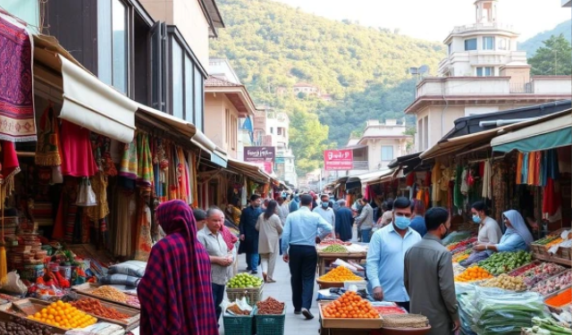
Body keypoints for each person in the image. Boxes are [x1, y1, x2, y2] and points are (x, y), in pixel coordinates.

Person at [138, 200, 218, 335]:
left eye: (160, 220)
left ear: (170, 220)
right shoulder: (200, 249)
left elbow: (150, 290)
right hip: (199, 322)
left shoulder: (163, 248)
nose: (160, 225)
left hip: (177, 325)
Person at [404, 207, 460, 335]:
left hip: (415, 313)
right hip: (437, 318)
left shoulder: (410, 250)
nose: (449, 226)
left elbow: (407, 282)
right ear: (441, 227)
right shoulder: (443, 253)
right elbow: (447, 289)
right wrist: (455, 316)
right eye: (448, 223)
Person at [282, 194, 332, 320]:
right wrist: (319, 237)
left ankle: (297, 307)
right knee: (308, 278)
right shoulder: (315, 216)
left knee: (296, 278)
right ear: (311, 204)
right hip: (310, 250)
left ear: (299, 204)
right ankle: (306, 306)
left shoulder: (291, 216)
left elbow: (286, 235)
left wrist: (285, 252)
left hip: (295, 249)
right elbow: (329, 228)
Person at [366, 197, 421, 311]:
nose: (403, 217)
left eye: (407, 214)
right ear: (393, 214)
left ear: (412, 215)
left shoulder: (416, 237)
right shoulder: (379, 236)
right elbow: (372, 262)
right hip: (385, 295)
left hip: (410, 296)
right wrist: (376, 285)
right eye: (399, 214)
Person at [197, 208, 234, 325]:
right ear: (206, 220)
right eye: (214, 221)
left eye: (220, 220)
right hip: (209, 279)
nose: (218, 223)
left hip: (221, 279)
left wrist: (230, 257)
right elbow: (198, 257)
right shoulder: (200, 236)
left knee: (217, 306)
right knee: (210, 309)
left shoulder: (219, 234)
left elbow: (227, 251)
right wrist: (217, 259)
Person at [461, 201, 502, 266]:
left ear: (482, 212)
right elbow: (484, 240)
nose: (473, 216)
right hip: (481, 250)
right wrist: (478, 243)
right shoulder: (481, 223)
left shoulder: (491, 225)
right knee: (465, 260)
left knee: (469, 262)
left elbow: (494, 244)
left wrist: (482, 246)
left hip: (489, 253)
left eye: (475, 213)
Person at [256, 200, 283, 283]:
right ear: (274, 207)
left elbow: (257, 227)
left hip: (262, 240)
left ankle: (264, 271)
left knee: (263, 257)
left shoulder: (261, 216)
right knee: (272, 259)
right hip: (273, 240)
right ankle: (269, 277)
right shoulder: (275, 217)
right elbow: (281, 229)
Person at [239, 194, 263, 274]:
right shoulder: (245, 211)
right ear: (252, 201)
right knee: (248, 251)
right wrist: (242, 233)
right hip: (247, 233)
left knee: (255, 251)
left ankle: (254, 268)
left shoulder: (262, 211)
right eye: (257, 201)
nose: (259, 202)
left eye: (259, 201)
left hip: (258, 234)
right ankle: (250, 265)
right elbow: (241, 223)